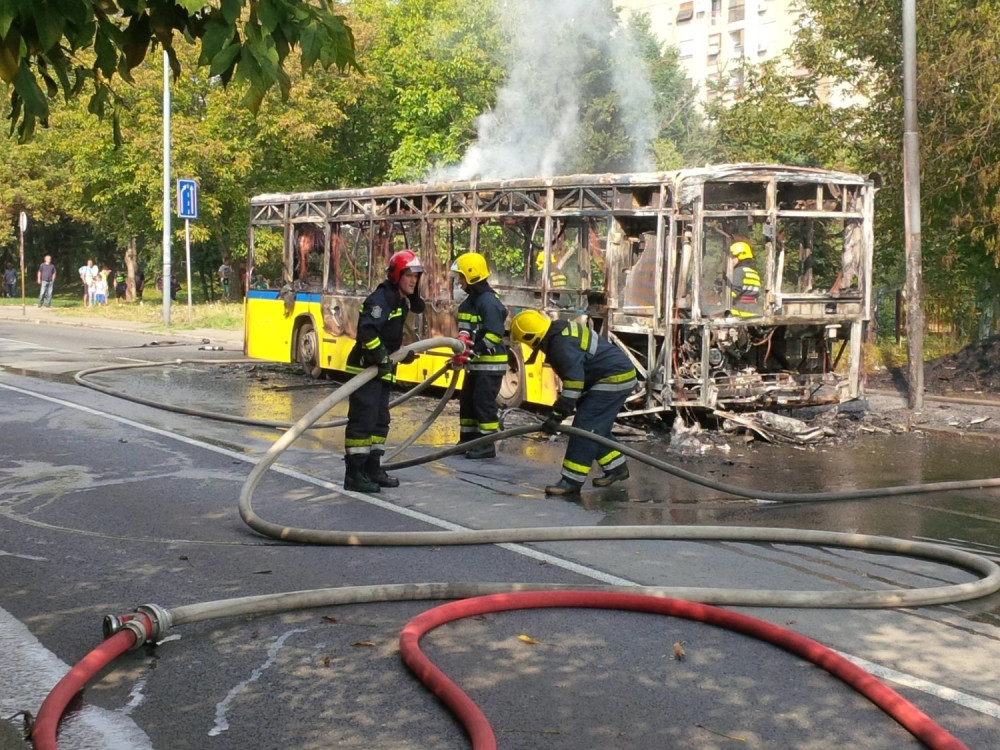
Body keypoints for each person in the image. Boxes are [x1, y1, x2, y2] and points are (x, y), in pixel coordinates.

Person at [509, 310, 636, 496]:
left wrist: (556, 416)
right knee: (595, 428)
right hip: (608, 375)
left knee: (585, 427)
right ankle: (617, 468)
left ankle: (571, 481)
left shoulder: (560, 345)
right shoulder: (558, 333)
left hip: (614, 378)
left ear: (531, 337)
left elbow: (573, 386)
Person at [342, 249, 426, 492]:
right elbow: (367, 332)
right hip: (364, 369)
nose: (413, 280)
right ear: (397, 275)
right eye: (409, 275)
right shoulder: (381, 299)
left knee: (380, 421)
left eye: (416, 276)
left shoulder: (399, 301)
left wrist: (399, 355)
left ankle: (372, 468)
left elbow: (387, 335)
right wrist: (381, 357)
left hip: (380, 370)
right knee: (363, 421)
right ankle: (354, 474)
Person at [450, 252, 508, 459]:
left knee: (484, 404)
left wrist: (474, 350)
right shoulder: (469, 304)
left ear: (472, 276)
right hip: (474, 364)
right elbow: (465, 332)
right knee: (467, 402)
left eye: (461, 277)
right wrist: (461, 348)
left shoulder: (488, 302)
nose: (459, 282)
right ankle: (467, 440)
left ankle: (486, 444)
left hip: (490, 365)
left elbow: (495, 334)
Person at [726, 241, 761, 317]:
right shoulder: (754, 273)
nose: (730, 260)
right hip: (753, 312)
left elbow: (735, 291)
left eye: (732, 257)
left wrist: (722, 297)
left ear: (740, 257)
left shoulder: (738, 272)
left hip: (738, 313)